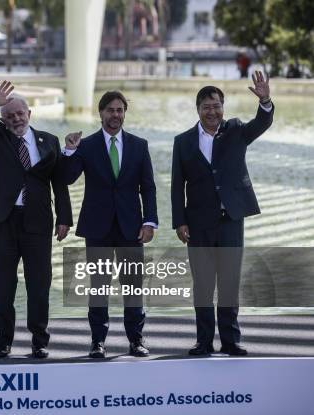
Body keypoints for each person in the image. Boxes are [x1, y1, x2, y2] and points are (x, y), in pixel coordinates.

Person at [171, 70, 273, 356]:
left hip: (231, 221)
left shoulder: (237, 130)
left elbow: (262, 122)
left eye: (216, 106)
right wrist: (179, 221)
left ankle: (230, 340)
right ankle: (204, 341)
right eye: (206, 107)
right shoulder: (183, 141)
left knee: (229, 282)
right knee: (202, 285)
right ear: (198, 110)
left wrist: (265, 100)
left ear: (222, 108)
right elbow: (177, 185)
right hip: (198, 223)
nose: (212, 111)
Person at [0, 81, 72, 359]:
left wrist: (64, 217)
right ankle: (4, 340)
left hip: (38, 222)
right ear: (3, 121)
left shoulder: (49, 140)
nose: (16, 119)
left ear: (29, 113)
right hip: (4, 221)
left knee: (39, 284)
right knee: (4, 284)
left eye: (20, 114)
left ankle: (39, 340)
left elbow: (59, 182)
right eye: (10, 116)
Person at [63, 90, 157, 358]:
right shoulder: (86, 145)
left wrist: (149, 222)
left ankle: (136, 340)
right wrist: (69, 151)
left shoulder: (139, 145)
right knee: (99, 287)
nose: (115, 115)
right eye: (110, 110)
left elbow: (148, 188)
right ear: (101, 113)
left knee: (134, 287)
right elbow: (68, 178)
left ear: (124, 114)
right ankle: (97, 342)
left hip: (132, 227)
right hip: (97, 227)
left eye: (120, 111)